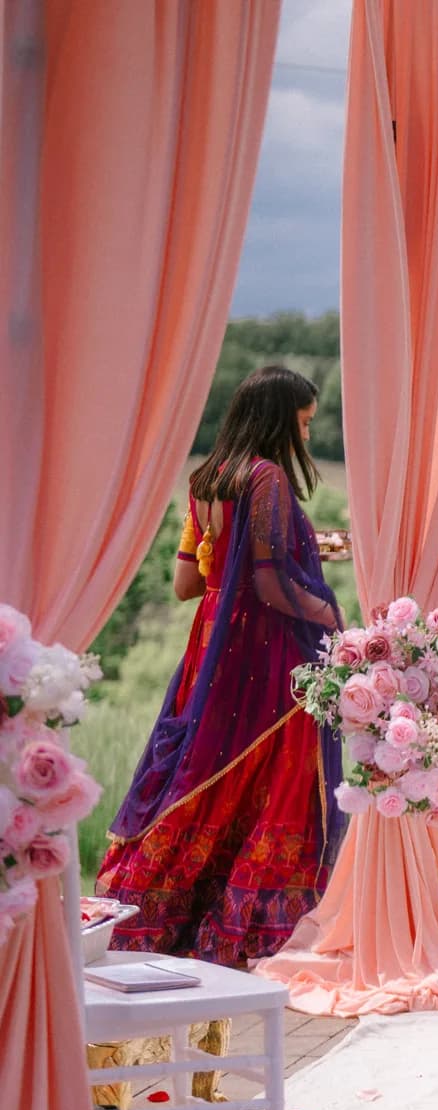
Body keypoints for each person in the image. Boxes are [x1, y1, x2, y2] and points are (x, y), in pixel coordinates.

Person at [100, 366, 345, 966]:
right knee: (275, 771)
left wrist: (308, 548)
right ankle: (253, 922)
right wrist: (333, 616)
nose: (307, 438)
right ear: (280, 418)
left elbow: (188, 581)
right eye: (305, 424)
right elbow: (267, 582)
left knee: (199, 763)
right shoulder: (267, 479)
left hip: (208, 647)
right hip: (263, 651)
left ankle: (158, 906)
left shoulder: (205, 481)